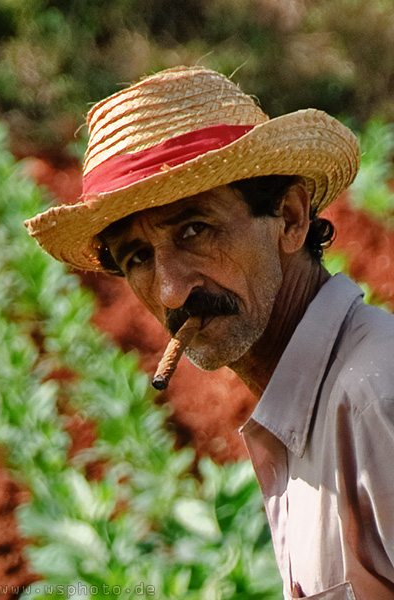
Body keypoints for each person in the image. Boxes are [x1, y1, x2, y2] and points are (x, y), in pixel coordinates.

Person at [25, 66, 394, 599]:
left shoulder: (374, 401)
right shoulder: (307, 409)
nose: (171, 291)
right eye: (138, 257)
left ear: (291, 218)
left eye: (194, 229)